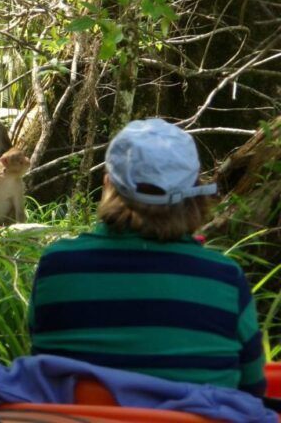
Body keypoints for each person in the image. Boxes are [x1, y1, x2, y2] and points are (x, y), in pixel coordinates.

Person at [28, 118, 267, 397]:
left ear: (108, 184)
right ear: (195, 195)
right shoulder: (224, 278)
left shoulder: (57, 266)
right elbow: (252, 388)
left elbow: (40, 361)